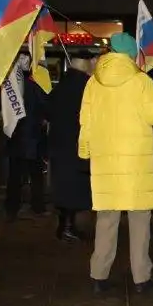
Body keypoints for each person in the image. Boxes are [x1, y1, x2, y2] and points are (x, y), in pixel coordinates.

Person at [81, 32, 153, 294]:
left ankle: (98, 275)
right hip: (136, 162)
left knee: (106, 220)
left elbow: (85, 119)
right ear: (132, 55)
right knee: (139, 221)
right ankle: (141, 277)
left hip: (105, 162)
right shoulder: (141, 81)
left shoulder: (93, 82)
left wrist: (85, 150)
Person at [48, 56, 93, 242]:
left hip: (58, 144)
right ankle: (67, 227)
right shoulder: (86, 87)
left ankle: (64, 226)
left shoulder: (60, 86)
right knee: (73, 188)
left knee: (63, 186)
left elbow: (48, 111)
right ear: (85, 65)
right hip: (77, 145)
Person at [4, 51, 49, 221]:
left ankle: (12, 207)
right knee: (34, 174)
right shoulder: (35, 82)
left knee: (15, 175)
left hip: (17, 135)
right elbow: (44, 105)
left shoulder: (11, 83)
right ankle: (37, 206)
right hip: (31, 136)